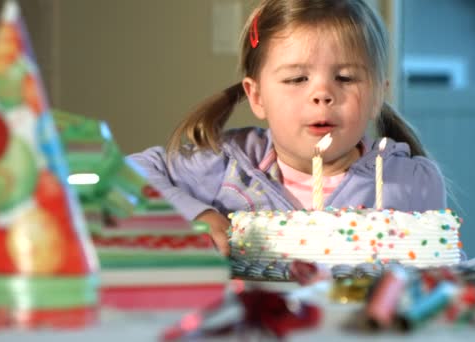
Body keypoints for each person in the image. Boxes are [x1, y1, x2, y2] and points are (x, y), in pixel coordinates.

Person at [129, 0, 446, 256]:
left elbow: (440, 288)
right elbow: (125, 173)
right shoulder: (224, 167)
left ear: (377, 95)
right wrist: (198, 215)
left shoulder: (413, 183)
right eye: (297, 79)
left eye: (346, 78)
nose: (322, 94)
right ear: (257, 96)